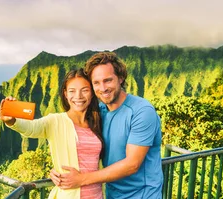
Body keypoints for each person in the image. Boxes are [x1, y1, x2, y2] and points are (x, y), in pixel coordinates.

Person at [51, 52, 163, 199]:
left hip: (143, 195)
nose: (102, 88)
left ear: (121, 78)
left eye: (108, 80)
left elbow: (132, 164)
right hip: (112, 195)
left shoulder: (141, 111)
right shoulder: (100, 112)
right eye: (96, 83)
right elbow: (84, 147)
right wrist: (60, 172)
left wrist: (81, 179)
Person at [0, 68, 104, 199]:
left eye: (85, 90)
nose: (78, 96)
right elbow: (31, 128)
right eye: (72, 91)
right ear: (65, 94)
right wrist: (12, 120)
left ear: (92, 93)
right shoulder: (55, 121)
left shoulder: (97, 122)